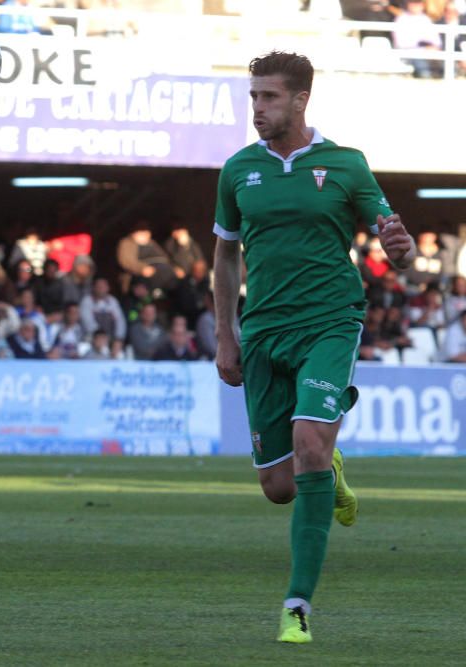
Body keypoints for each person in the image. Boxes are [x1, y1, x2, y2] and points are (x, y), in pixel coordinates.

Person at [212, 52, 416, 644]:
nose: (257, 108)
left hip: (331, 319)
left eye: (269, 98)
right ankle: (332, 466)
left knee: (307, 445)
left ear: (300, 100)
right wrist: (227, 333)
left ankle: (296, 606)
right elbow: (225, 255)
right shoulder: (237, 170)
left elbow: (392, 241)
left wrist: (398, 245)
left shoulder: (346, 164)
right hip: (264, 331)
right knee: (280, 488)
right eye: (253, 97)